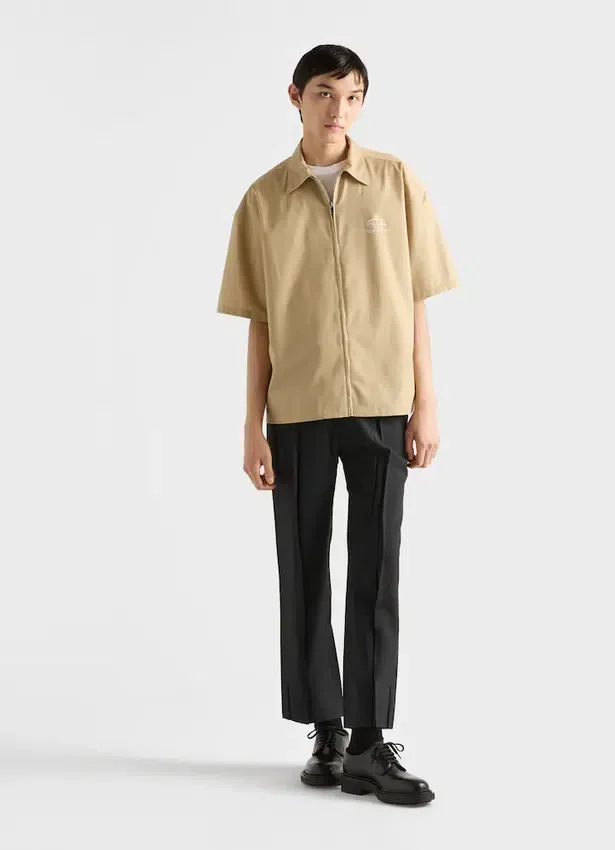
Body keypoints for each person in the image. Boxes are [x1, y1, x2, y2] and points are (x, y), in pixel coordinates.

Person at [216, 44, 459, 806]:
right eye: (325, 94)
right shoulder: (262, 201)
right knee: (304, 569)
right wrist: (251, 426)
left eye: (352, 96)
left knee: (377, 571)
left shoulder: (396, 182)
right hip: (298, 410)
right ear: (295, 96)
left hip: (384, 403)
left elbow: (416, 299)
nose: (339, 110)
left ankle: (368, 741)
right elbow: (258, 322)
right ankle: (325, 730)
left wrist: (427, 401)